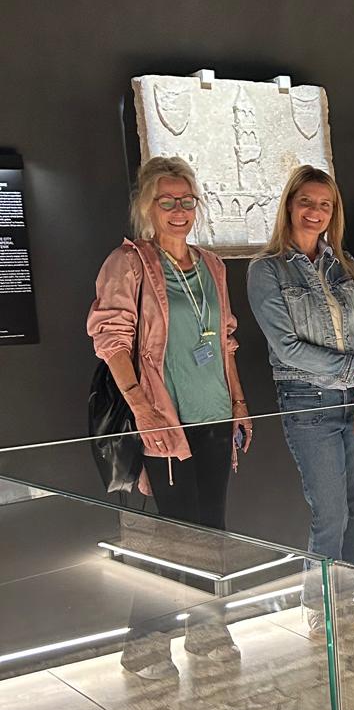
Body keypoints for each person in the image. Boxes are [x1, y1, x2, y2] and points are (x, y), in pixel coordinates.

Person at [90, 156, 252, 678]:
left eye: (187, 201)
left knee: (211, 532)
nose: (179, 211)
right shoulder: (129, 263)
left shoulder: (212, 265)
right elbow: (111, 339)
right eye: (167, 202)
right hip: (164, 421)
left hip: (214, 416)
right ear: (148, 207)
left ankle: (206, 631)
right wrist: (141, 409)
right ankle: (145, 643)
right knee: (177, 536)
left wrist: (238, 403)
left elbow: (224, 340)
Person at [248, 166, 354, 639]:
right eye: (306, 201)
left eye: (324, 204)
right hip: (308, 403)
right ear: (289, 204)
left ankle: (347, 602)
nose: (315, 211)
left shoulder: (345, 266)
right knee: (330, 513)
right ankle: (320, 608)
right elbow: (287, 347)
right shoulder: (267, 270)